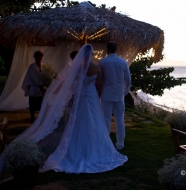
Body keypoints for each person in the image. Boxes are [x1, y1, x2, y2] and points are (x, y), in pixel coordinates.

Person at [0, 44, 127, 175]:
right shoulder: (97, 67)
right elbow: (99, 85)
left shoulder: (77, 67)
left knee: (78, 122)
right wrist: (96, 97)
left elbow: (73, 84)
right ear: (92, 54)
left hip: (81, 96)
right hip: (92, 96)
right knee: (94, 121)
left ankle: (76, 148)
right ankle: (95, 148)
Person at [99, 41, 131, 150]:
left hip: (106, 94)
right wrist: (124, 92)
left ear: (107, 50)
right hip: (119, 94)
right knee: (120, 119)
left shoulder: (102, 62)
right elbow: (128, 79)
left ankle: (105, 142)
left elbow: (100, 79)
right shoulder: (122, 62)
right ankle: (120, 144)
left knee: (106, 119)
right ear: (116, 49)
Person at [22, 51, 44, 123]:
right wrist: (40, 85)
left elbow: (45, 76)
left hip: (41, 89)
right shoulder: (31, 67)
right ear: (35, 57)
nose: (39, 57)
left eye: (40, 56)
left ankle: (40, 118)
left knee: (41, 104)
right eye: (38, 56)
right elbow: (32, 78)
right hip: (34, 87)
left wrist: (44, 84)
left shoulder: (43, 66)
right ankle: (32, 118)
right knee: (32, 105)